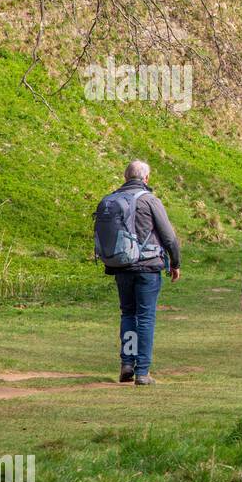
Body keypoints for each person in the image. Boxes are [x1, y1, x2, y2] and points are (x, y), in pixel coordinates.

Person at [93, 160, 182, 386]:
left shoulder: (113, 199)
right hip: (148, 268)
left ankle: (127, 364)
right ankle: (142, 371)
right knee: (145, 317)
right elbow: (169, 237)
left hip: (121, 266)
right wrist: (175, 262)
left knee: (128, 315)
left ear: (125, 177)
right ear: (146, 178)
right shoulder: (150, 200)